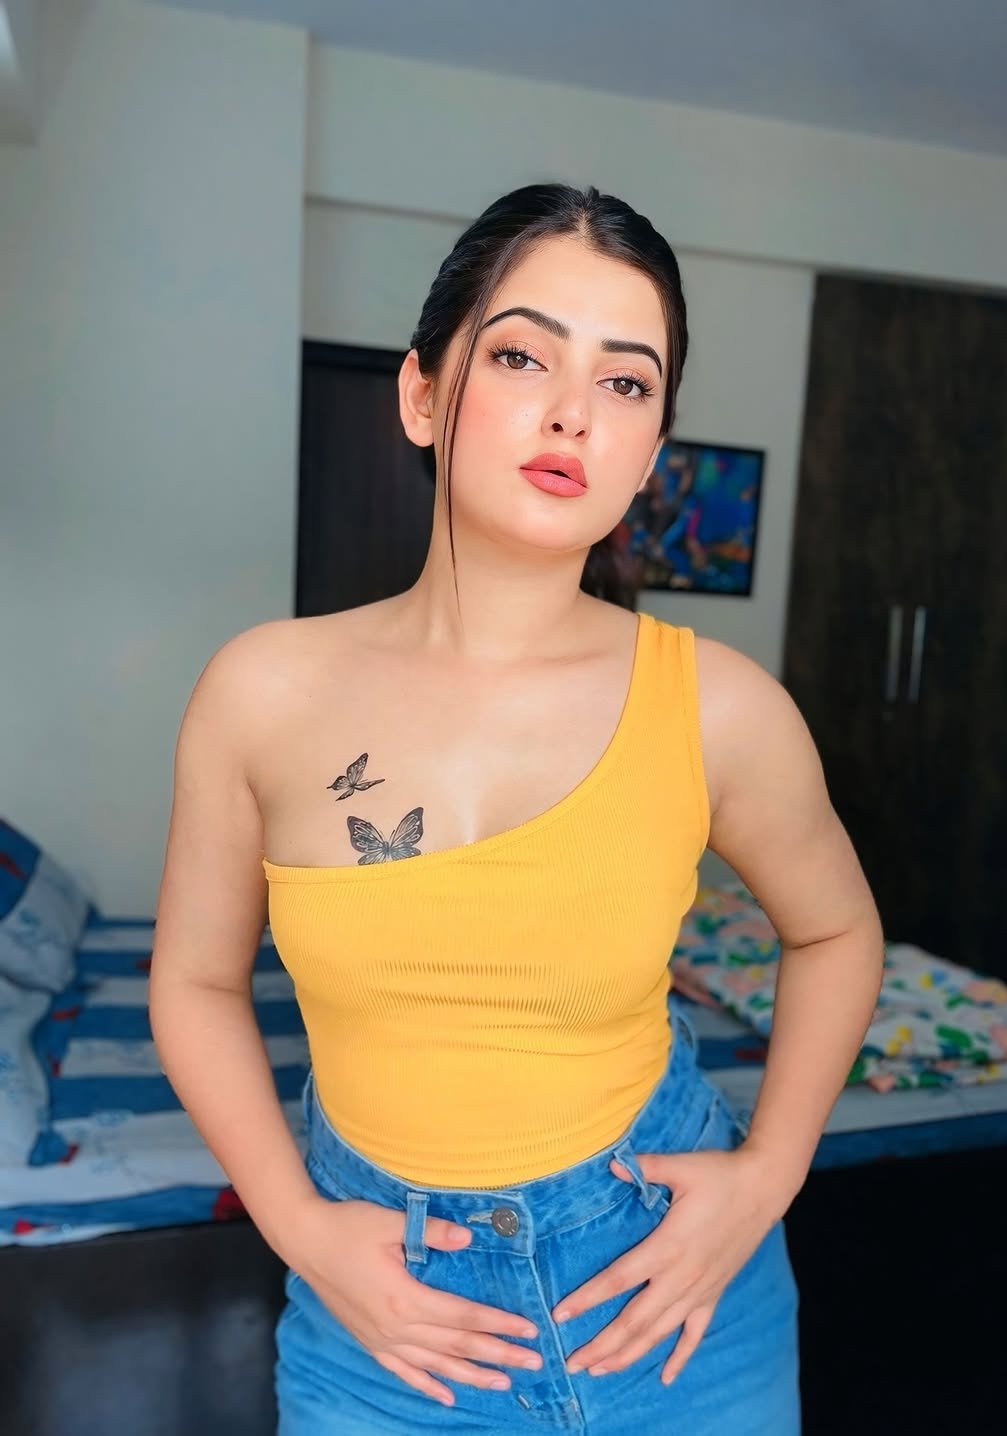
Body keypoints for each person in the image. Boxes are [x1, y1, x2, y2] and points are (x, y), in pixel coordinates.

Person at [148, 182, 885, 1434]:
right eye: (521, 355)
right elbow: (196, 980)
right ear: (422, 393)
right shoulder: (261, 691)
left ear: (651, 450)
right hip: (385, 1323)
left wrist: (768, 1173)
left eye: (626, 381)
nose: (571, 411)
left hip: (671, 1298)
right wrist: (302, 1227)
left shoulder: (722, 707)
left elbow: (837, 930)